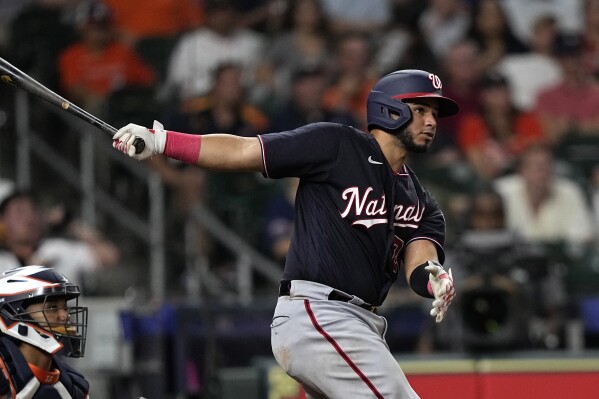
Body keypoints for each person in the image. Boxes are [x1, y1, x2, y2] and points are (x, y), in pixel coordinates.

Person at [112, 68, 457, 398]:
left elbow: (420, 258)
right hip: (319, 314)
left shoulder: (424, 202)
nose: (431, 121)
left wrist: (434, 279)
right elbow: (244, 150)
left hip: (361, 324)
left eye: (435, 114)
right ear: (391, 109)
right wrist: (162, 141)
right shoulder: (337, 144)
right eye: (421, 109)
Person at [0, 190, 120, 290]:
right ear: (3, 221)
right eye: (19, 212)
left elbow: (109, 255)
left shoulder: (57, 249)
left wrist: (70, 223)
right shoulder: (3, 261)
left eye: (33, 210)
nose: (29, 218)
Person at [0, 265, 89, 398]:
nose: (64, 315)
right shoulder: (3, 378)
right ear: (12, 313)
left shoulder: (74, 386)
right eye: (52, 307)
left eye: (64, 307)